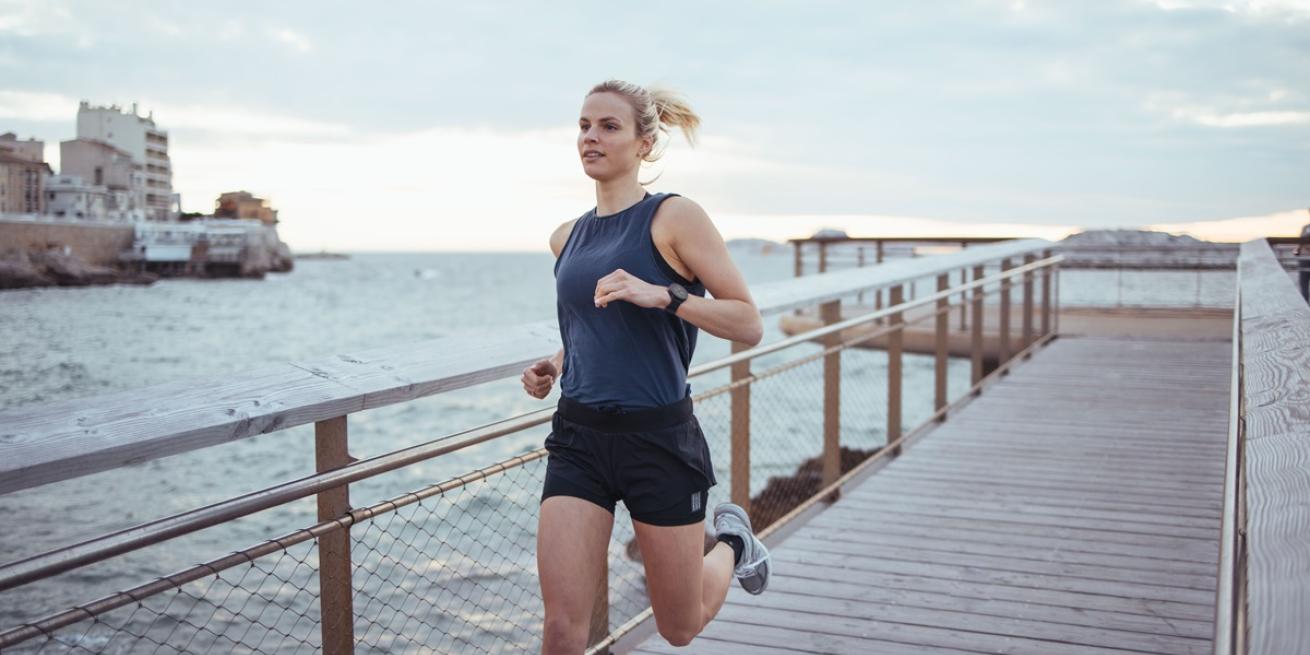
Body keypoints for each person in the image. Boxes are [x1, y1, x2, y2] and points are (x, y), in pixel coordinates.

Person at [520, 80, 770, 654]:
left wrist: (665, 296)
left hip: (658, 439)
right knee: (562, 627)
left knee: (679, 627)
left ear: (645, 144)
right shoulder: (567, 237)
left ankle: (733, 543)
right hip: (579, 439)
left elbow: (748, 323)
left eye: (609, 126)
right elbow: (593, 328)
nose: (591, 137)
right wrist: (554, 365)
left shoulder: (674, 217)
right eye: (584, 125)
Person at [1296, 209, 1310, 302]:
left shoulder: (1305, 228)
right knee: (1304, 283)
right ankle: (1305, 303)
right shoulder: (1305, 228)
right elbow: (1300, 243)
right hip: (1304, 258)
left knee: (1304, 283)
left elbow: (1300, 243)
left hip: (1304, 257)